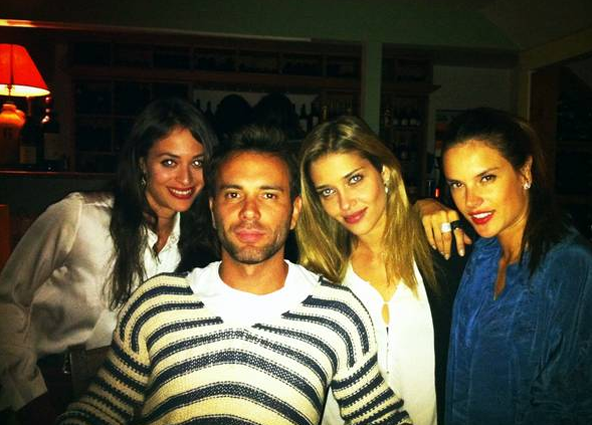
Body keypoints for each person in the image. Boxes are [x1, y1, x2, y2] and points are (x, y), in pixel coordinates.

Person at [56, 124, 412, 425]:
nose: (249, 212)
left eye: (268, 195)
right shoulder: (157, 302)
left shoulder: (336, 312)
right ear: (213, 209)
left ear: (294, 212)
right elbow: (100, 408)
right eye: (233, 195)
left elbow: (381, 416)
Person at [0, 97, 218, 424]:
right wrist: (30, 398)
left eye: (197, 163)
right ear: (142, 163)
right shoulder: (80, 216)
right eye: (169, 162)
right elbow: (7, 300)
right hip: (53, 391)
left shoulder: (201, 243)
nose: (186, 179)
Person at [296, 116, 466, 425]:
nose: (345, 203)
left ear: (384, 173)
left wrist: (425, 205)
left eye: (354, 179)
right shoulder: (319, 274)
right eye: (327, 192)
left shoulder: (440, 252)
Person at [437, 107, 592, 424]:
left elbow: (570, 403)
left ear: (525, 172)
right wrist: (422, 206)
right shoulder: (481, 253)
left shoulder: (570, 264)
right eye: (457, 184)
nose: (470, 201)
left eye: (486, 178)